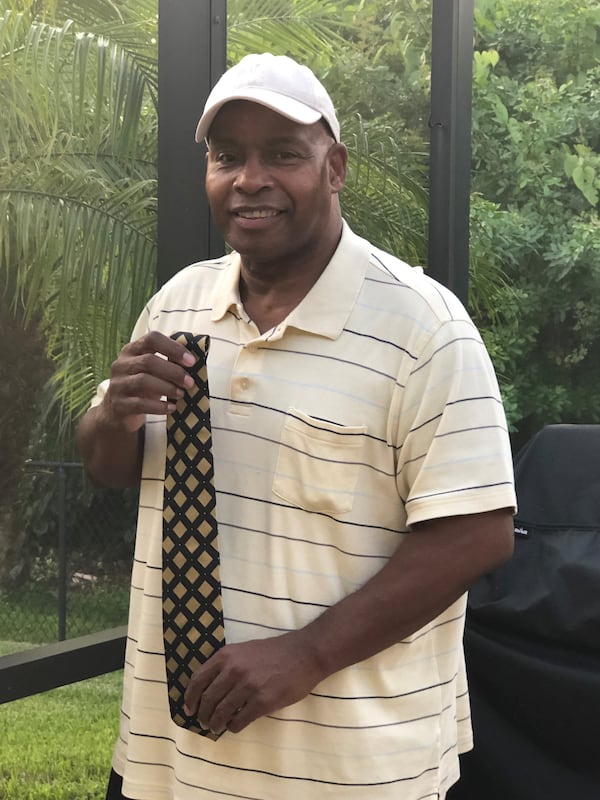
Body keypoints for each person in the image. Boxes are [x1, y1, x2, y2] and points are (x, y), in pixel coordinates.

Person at [77, 53, 516, 800]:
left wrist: (307, 654)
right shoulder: (179, 303)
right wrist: (113, 415)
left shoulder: (424, 326)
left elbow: (478, 532)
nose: (250, 178)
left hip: (350, 769)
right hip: (165, 759)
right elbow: (110, 465)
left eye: (283, 154)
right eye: (227, 157)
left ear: (336, 166)